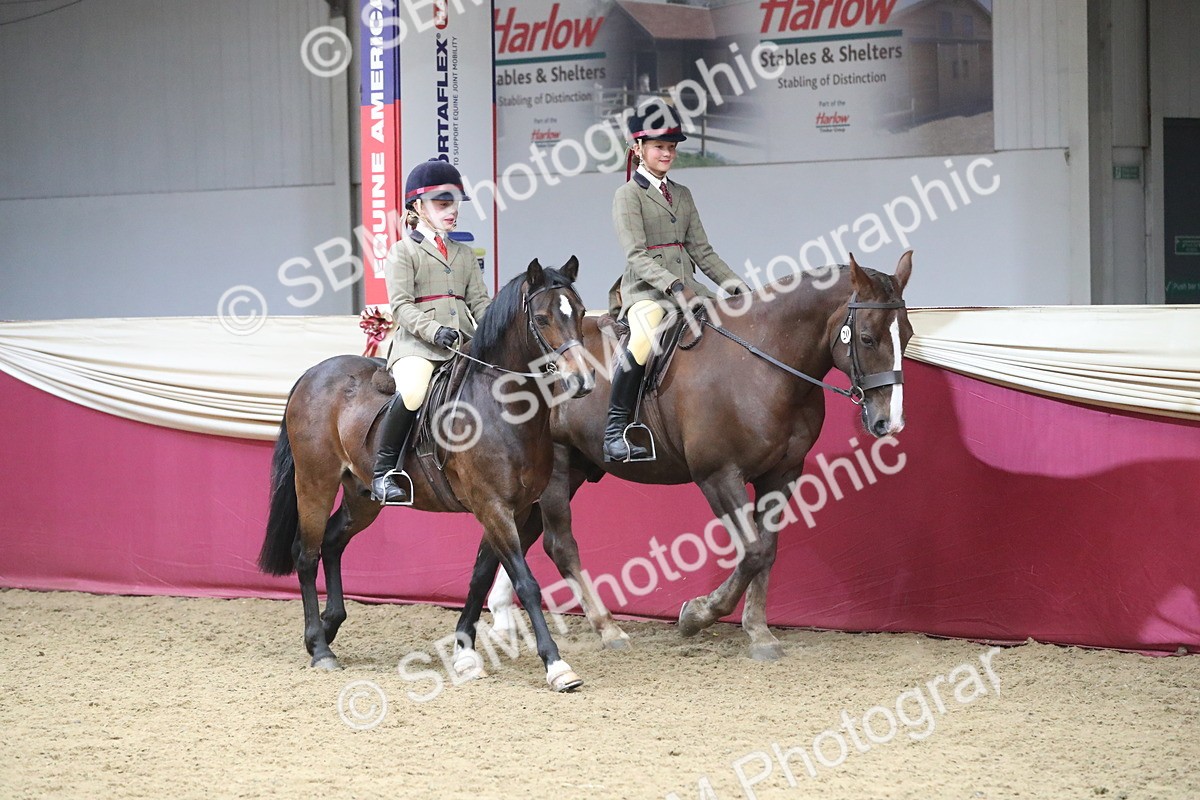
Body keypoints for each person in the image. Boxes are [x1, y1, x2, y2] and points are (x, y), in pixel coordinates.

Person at [604, 102, 751, 462]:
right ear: (638, 149)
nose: (667, 153)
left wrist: (734, 284)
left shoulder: (682, 194)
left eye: (671, 147)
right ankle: (615, 428)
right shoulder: (628, 196)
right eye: (659, 147)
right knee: (643, 336)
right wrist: (672, 285)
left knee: (730, 322)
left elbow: (701, 249)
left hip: (689, 288)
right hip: (646, 292)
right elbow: (636, 255)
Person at [371, 158, 491, 504]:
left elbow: (480, 303)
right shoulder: (402, 252)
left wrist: (494, 330)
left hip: (462, 343)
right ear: (418, 207)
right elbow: (402, 307)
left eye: (453, 203)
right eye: (442, 204)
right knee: (412, 392)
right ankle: (384, 472)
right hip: (418, 346)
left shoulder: (464, 254)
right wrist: (435, 331)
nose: (451, 210)